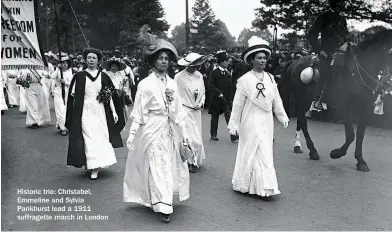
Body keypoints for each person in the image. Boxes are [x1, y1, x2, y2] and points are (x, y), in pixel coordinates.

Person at [123, 25, 191, 223]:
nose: (164, 61)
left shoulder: (172, 84)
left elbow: (178, 111)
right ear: (153, 61)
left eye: (166, 59)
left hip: (169, 129)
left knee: (167, 163)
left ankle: (163, 199)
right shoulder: (145, 84)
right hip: (152, 128)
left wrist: (184, 134)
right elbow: (139, 112)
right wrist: (133, 133)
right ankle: (163, 204)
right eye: (160, 58)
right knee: (155, 163)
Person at [228, 36, 289, 201]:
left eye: (264, 58)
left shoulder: (269, 78)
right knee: (255, 150)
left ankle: (259, 186)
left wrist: (282, 115)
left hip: (266, 120)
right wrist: (233, 124)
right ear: (252, 60)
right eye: (259, 58)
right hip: (250, 121)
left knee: (264, 151)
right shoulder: (244, 80)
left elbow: (276, 99)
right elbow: (238, 105)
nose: (262, 61)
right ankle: (255, 186)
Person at [65, 48, 125, 180]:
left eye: (94, 58)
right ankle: (92, 166)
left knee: (100, 136)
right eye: (89, 58)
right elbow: (73, 97)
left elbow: (109, 96)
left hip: (100, 111)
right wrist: (73, 116)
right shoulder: (79, 76)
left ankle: (97, 165)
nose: (91, 60)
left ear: (98, 61)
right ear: (85, 59)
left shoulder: (104, 76)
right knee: (88, 136)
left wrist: (114, 112)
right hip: (85, 111)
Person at [307, 0, 348, 111]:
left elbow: (345, 35)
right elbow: (311, 35)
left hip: (340, 52)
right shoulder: (324, 17)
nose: (341, 9)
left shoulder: (342, 19)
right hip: (326, 52)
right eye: (339, 6)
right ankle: (316, 101)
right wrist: (319, 50)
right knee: (325, 75)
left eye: (341, 7)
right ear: (334, 5)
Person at [175, 52, 207, 173]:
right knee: (189, 137)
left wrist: (201, 102)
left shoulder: (199, 76)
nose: (196, 69)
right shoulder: (179, 77)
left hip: (196, 111)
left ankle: (195, 158)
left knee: (197, 136)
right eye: (193, 66)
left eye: (197, 66)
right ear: (188, 65)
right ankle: (190, 161)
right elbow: (174, 93)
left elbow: (203, 91)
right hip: (184, 109)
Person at [208, 51, 238, 142]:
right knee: (215, 117)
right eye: (225, 61)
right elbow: (210, 85)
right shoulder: (214, 72)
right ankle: (213, 135)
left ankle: (233, 135)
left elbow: (230, 87)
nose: (227, 63)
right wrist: (219, 93)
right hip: (216, 99)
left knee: (229, 116)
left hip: (226, 99)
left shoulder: (228, 73)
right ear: (221, 62)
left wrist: (231, 98)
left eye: (227, 61)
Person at [51, 56, 74, 135]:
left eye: (66, 63)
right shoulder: (58, 71)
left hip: (67, 91)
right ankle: (63, 128)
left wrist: (65, 82)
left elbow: (72, 83)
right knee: (59, 108)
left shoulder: (70, 71)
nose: (64, 65)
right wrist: (58, 69)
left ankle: (60, 124)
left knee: (65, 109)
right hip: (58, 90)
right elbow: (52, 77)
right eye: (63, 63)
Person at [103, 58, 130, 125]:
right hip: (110, 92)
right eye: (112, 66)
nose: (114, 68)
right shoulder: (106, 74)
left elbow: (124, 85)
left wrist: (123, 91)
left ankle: (121, 120)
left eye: (115, 66)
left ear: (118, 67)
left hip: (119, 93)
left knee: (121, 107)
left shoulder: (121, 75)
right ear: (110, 67)